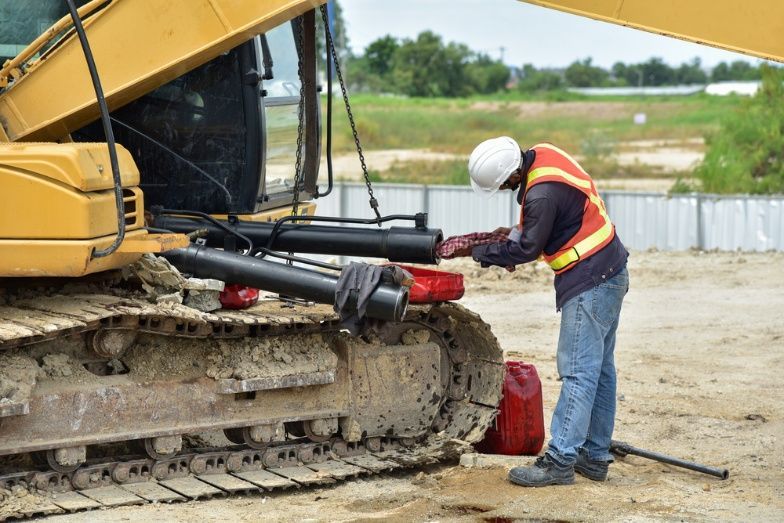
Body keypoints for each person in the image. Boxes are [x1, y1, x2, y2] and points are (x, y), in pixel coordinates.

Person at [463, 136, 629, 487]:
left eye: (503, 185)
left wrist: (482, 253)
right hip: (610, 270)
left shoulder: (539, 194)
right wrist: (509, 234)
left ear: (509, 176)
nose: (507, 189)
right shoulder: (544, 155)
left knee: (579, 372)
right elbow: (556, 219)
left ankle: (560, 461)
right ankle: (594, 456)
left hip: (590, 279)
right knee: (599, 371)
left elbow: (527, 248)